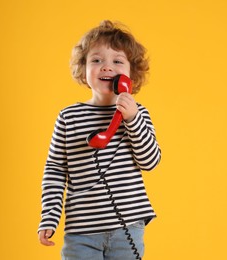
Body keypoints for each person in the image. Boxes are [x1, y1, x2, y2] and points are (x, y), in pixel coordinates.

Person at [37, 20, 161, 260]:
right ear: (82, 69)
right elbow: (54, 170)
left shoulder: (138, 113)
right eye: (96, 60)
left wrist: (132, 119)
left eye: (117, 61)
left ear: (130, 74)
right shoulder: (68, 117)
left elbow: (150, 161)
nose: (106, 67)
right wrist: (49, 216)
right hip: (81, 231)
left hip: (127, 228)